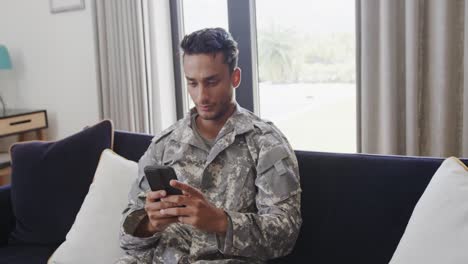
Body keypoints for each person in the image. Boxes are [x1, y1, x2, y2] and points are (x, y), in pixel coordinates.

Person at [116, 27, 301, 264]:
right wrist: (150, 224)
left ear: (235, 77)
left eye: (211, 82)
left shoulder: (266, 143)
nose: (201, 96)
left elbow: (286, 233)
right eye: (192, 83)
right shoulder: (164, 145)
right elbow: (125, 238)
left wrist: (222, 222)